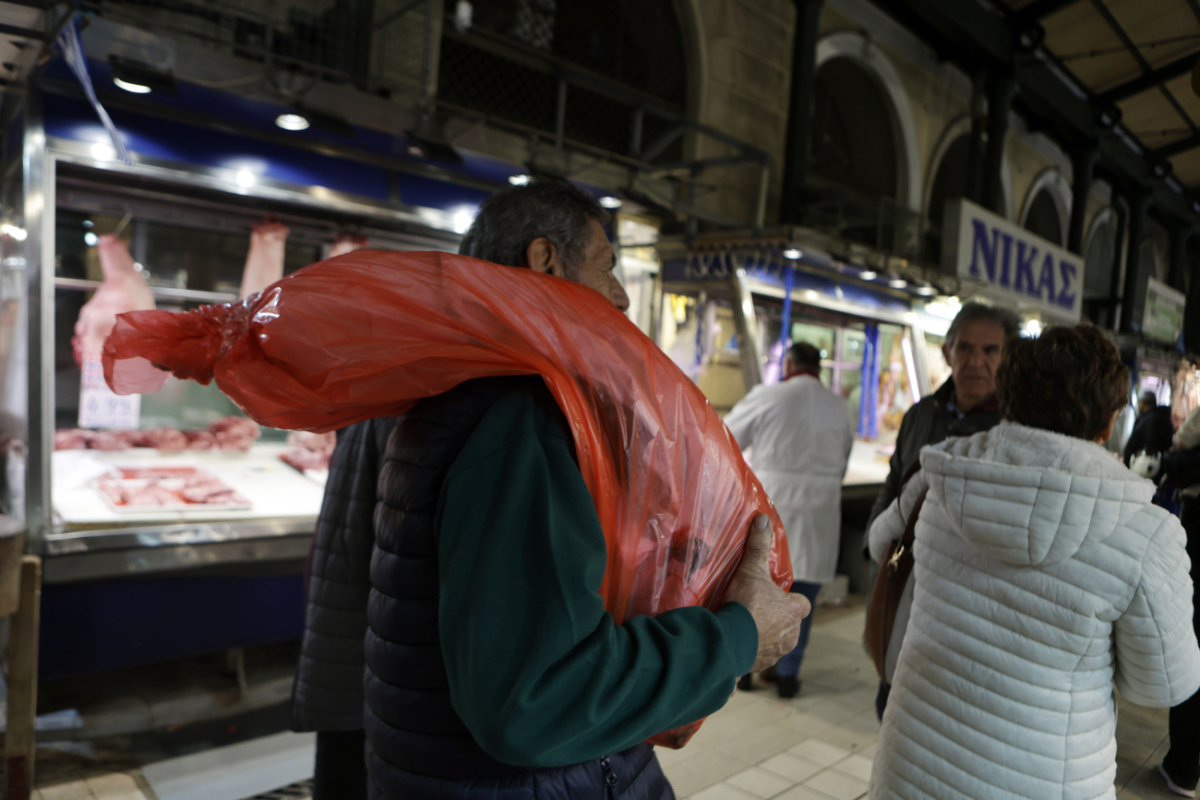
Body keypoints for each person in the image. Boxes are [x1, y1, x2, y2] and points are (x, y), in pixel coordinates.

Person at [293, 179, 810, 800]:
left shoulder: (446, 387)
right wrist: (738, 636)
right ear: (545, 260)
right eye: (606, 268)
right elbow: (539, 700)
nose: (619, 297)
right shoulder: (519, 416)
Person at [868, 325, 1200, 800]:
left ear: (1009, 399)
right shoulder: (1145, 531)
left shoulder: (937, 475)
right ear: (1107, 423)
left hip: (912, 763)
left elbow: (885, 545)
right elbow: (1163, 684)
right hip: (1044, 781)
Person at [866, 301, 1019, 717]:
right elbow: (894, 483)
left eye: (990, 351)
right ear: (947, 352)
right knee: (891, 706)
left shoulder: (1014, 429)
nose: (976, 360)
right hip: (903, 589)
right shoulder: (920, 414)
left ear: (1007, 360)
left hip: (964, 608)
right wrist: (874, 545)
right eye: (965, 347)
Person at [723, 342, 853, 697]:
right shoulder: (840, 406)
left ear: (789, 364)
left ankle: (747, 671)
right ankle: (787, 677)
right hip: (819, 516)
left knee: (758, 593)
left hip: (772, 508)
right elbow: (842, 462)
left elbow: (724, 436)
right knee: (803, 602)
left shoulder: (768, 396)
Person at [1124, 390, 1174, 466]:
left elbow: (1150, 445)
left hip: (1145, 466)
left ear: (1142, 403)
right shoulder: (1159, 417)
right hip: (1150, 465)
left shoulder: (1152, 420)